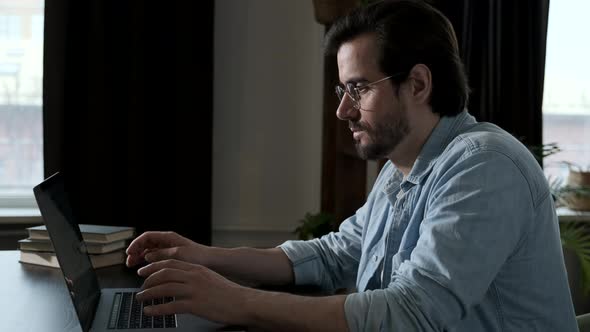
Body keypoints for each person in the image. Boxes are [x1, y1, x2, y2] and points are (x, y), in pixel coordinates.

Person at [126, 1, 578, 330]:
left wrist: (237, 303)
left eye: (358, 89)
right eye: (341, 91)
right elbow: (332, 254)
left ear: (418, 83)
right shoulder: (401, 170)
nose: (343, 111)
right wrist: (204, 256)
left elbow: (411, 313)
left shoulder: (482, 167)